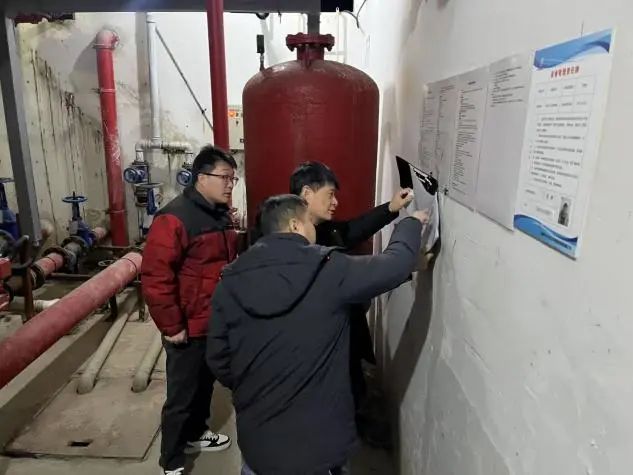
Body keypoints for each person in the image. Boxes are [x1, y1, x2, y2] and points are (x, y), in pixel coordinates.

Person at [207, 194, 429, 475]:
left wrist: (255, 384)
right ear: (295, 226)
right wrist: (410, 224)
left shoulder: (229, 282)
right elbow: (395, 264)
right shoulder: (329, 268)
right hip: (320, 450)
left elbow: (218, 358)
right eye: (309, 222)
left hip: (259, 446)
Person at [288, 161, 413, 425]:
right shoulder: (297, 250)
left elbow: (353, 229)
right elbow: (368, 274)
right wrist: (410, 230)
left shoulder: (324, 230)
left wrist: (390, 208)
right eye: (330, 194)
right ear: (307, 193)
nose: (335, 202)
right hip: (320, 359)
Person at [141, 145, 239, 475]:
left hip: (213, 320)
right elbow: (156, 277)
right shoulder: (174, 217)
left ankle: (197, 434)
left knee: (204, 384)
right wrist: (172, 326)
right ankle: (171, 462)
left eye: (233, 178)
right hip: (186, 325)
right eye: (225, 177)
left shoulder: (220, 214)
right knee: (181, 397)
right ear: (201, 177)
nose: (230, 184)